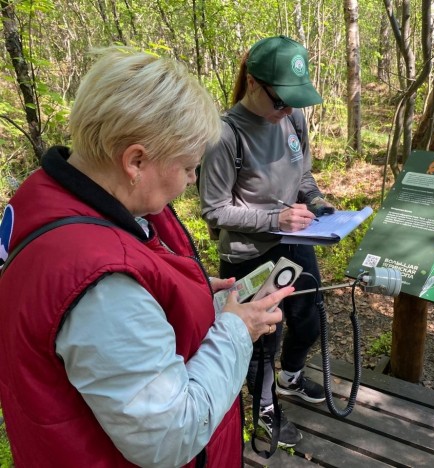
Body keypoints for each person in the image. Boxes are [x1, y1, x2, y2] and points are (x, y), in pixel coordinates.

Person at [0, 46, 294, 468]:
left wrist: (193, 297)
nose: (192, 182)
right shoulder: (100, 284)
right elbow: (170, 435)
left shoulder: (47, 197)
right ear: (135, 160)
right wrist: (236, 332)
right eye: (190, 167)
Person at [198, 35, 335, 447]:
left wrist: (316, 200)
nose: (289, 109)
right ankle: (265, 411)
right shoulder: (224, 135)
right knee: (261, 340)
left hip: (297, 241)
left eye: (295, 101)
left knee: (308, 317)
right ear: (254, 83)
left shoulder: (293, 120)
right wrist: (276, 217)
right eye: (280, 101)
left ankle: (291, 375)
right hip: (249, 257)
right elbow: (214, 209)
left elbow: (303, 172)